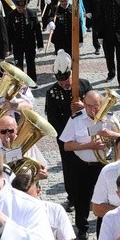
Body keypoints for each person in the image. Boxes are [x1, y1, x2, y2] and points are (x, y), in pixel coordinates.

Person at [59, 90, 120, 240]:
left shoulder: (109, 117)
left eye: (97, 106)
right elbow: (67, 146)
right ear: (84, 104)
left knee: (108, 196)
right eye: (89, 106)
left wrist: (111, 135)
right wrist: (89, 145)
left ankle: (109, 225)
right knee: (81, 197)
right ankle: (82, 228)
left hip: (103, 165)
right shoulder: (76, 119)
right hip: (82, 165)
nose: (93, 109)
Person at [45, 50, 92, 212]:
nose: (64, 83)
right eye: (60, 80)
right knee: (70, 168)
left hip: (86, 133)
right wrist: (66, 137)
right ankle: (72, 197)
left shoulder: (84, 85)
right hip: (67, 137)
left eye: (66, 79)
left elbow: (96, 109)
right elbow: (53, 120)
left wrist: (84, 107)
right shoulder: (52, 93)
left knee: (89, 165)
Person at [6, 0, 43, 83]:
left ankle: (32, 80)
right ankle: (20, 81)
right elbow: (9, 32)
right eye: (19, 8)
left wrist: (40, 44)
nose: (21, 9)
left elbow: (37, 30)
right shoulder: (11, 15)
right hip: (17, 44)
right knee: (18, 63)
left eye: (23, 7)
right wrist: (8, 47)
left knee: (31, 62)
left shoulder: (32, 14)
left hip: (30, 43)